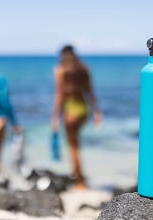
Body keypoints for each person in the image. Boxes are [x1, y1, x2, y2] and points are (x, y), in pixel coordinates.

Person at [52, 45, 102, 189]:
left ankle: (80, 181)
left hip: (70, 110)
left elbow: (59, 95)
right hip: (83, 109)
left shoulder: (60, 70)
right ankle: (77, 175)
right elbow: (90, 92)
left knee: (73, 147)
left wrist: (55, 117)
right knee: (76, 144)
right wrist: (97, 112)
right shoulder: (84, 69)